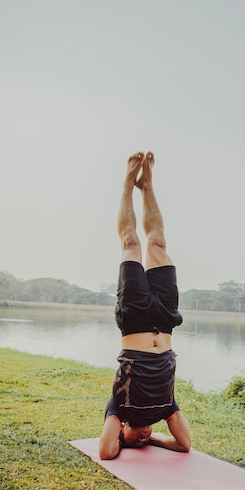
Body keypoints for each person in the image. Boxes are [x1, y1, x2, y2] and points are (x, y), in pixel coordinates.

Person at [99, 151, 191, 460]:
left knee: (132, 243)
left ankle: (128, 184)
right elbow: (184, 444)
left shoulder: (118, 407)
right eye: (144, 442)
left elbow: (106, 451)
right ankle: (148, 185)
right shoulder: (166, 407)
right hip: (165, 321)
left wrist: (123, 433)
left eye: (135, 441)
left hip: (135, 318)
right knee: (158, 243)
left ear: (122, 429)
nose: (142, 439)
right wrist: (153, 440)